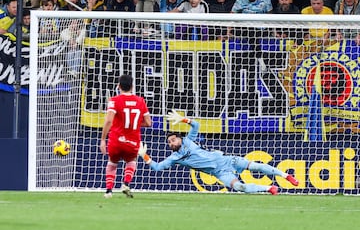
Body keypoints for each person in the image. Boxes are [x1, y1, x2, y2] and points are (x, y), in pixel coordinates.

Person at [138, 110, 299, 195]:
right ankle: (269, 188)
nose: (171, 143)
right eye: (169, 142)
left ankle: (286, 176)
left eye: (173, 140)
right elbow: (157, 167)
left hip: (227, 160)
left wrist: (183, 119)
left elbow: (196, 126)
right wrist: (144, 155)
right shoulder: (175, 158)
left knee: (256, 166)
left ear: (179, 139)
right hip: (219, 172)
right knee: (240, 188)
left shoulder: (188, 140)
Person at [100, 74, 152, 198]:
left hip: (116, 140)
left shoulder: (114, 100)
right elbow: (149, 123)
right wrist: (134, 124)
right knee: (131, 161)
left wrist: (102, 139)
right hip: (133, 141)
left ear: (118, 86)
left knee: (112, 163)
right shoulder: (140, 101)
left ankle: (109, 191)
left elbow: (108, 121)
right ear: (132, 87)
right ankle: (126, 183)